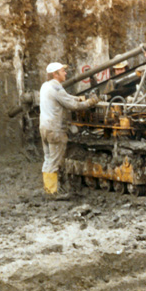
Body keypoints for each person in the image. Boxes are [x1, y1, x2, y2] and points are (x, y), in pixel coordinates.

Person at [39, 62, 98, 196]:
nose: (65, 73)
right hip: (55, 130)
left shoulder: (45, 86)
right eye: (62, 71)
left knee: (48, 159)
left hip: (45, 128)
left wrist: (78, 98)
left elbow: (65, 98)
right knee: (55, 161)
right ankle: (53, 193)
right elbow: (73, 106)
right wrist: (91, 102)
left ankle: (49, 189)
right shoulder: (56, 88)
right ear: (55, 74)